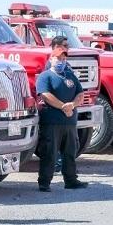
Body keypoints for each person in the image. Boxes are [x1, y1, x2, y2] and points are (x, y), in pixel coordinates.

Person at [36, 36, 88, 192]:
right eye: (59, 58)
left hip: (69, 122)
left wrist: (72, 105)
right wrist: (63, 106)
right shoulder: (45, 76)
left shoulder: (70, 75)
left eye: (64, 58)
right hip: (52, 121)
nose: (62, 61)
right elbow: (45, 95)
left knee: (70, 153)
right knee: (49, 153)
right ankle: (44, 182)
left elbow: (80, 94)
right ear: (52, 58)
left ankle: (71, 180)